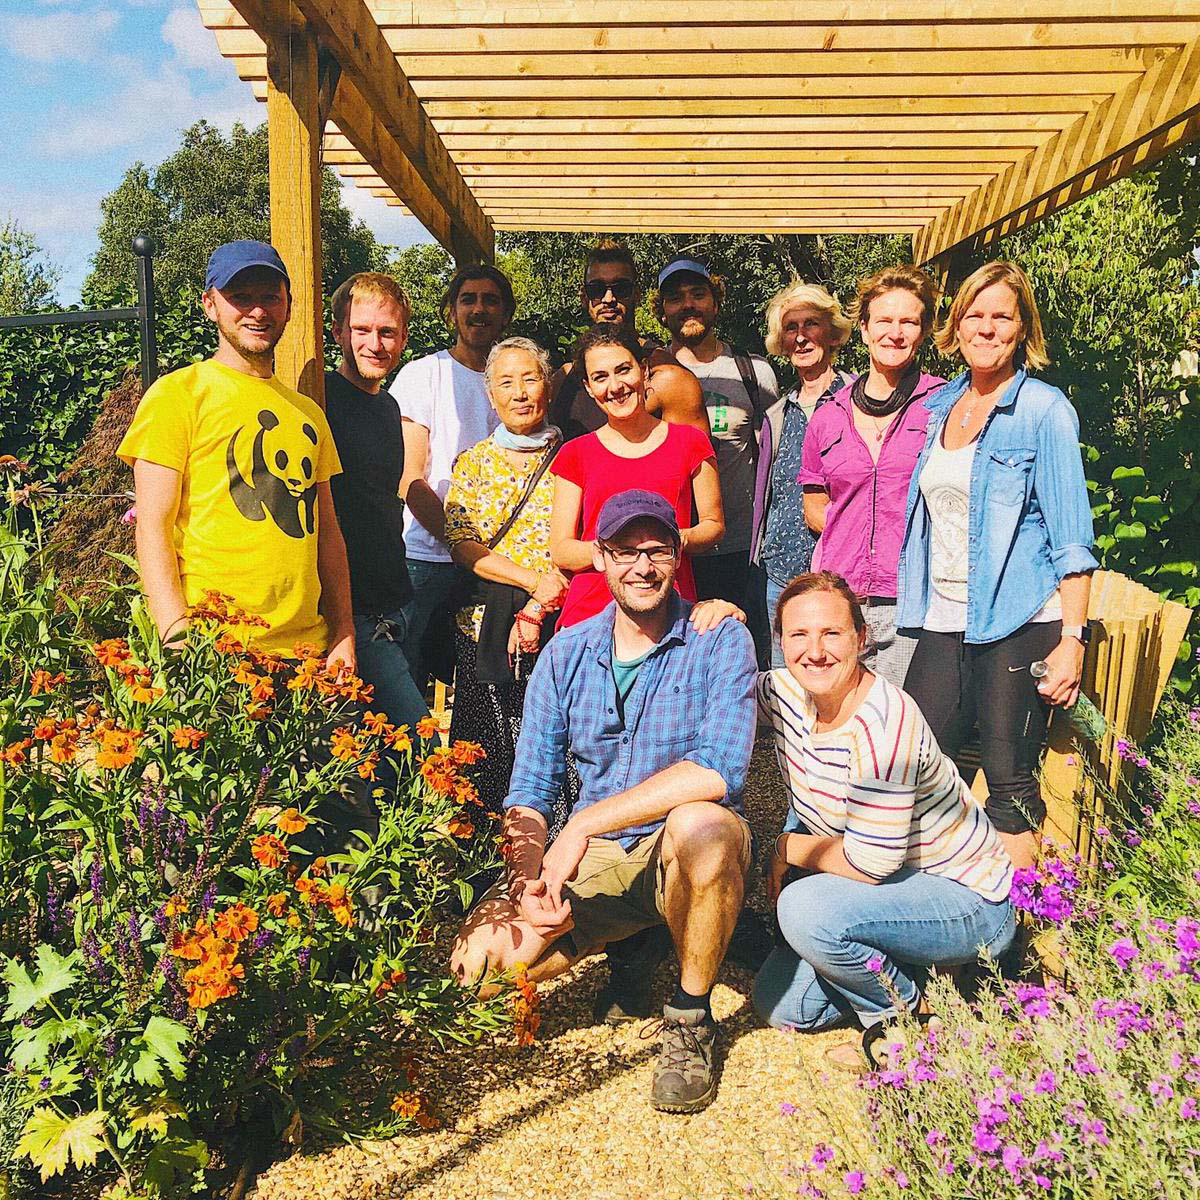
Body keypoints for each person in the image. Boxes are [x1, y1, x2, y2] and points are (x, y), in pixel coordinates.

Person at [452, 489, 757, 1113]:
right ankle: (633, 946)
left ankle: (691, 1018)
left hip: (673, 846)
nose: (641, 567)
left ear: (677, 555)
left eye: (656, 550)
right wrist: (528, 881)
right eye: (624, 551)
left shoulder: (719, 638)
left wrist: (583, 824)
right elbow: (531, 786)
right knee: (473, 972)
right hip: (597, 859)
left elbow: (720, 769)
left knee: (708, 827)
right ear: (600, 557)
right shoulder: (566, 653)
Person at [752, 573, 1015, 1065]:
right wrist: (716, 618)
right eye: (799, 636)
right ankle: (925, 974)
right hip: (892, 891)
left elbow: (872, 863)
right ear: (781, 643)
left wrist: (786, 849)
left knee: (805, 910)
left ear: (861, 637)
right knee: (782, 1006)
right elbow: (721, 692)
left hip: (963, 896)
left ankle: (902, 1022)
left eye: (832, 633)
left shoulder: (882, 726)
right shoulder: (785, 692)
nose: (815, 651)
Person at [897, 260, 1098, 872]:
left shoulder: (1042, 409)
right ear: (954, 326)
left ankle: (1017, 943)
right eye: (974, 315)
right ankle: (943, 919)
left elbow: (1072, 538)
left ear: (1022, 329)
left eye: (1001, 316)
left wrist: (1072, 640)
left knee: (1010, 786)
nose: (986, 328)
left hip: (1020, 616)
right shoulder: (942, 406)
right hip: (945, 615)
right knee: (919, 765)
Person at [119, 240, 353, 669]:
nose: (258, 311)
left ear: (288, 305)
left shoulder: (308, 414)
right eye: (240, 297)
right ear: (210, 305)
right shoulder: (178, 395)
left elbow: (329, 534)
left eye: (269, 297)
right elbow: (153, 526)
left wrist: (343, 633)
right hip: (215, 650)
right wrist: (174, 634)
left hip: (308, 657)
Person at [800, 264, 944, 685]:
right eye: (883, 320)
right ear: (863, 328)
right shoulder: (828, 416)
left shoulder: (944, 405)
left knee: (895, 722)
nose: (894, 333)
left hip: (911, 597)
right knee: (836, 714)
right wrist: (860, 533)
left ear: (923, 331)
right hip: (840, 596)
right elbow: (814, 505)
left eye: (908, 322)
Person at [442, 337, 569, 815]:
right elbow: (462, 544)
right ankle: (480, 869)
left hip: (558, 625)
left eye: (530, 378)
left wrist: (539, 605)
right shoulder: (473, 462)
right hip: (482, 629)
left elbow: (582, 540)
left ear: (548, 387)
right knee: (485, 754)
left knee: (553, 746)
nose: (519, 393)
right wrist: (529, 581)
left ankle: (550, 858)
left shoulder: (574, 458)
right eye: (506, 382)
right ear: (490, 395)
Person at [549, 323, 723, 629]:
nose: (615, 386)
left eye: (623, 370)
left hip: (667, 608)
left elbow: (714, 525)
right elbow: (562, 549)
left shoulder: (690, 442)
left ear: (644, 371)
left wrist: (672, 542)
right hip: (591, 616)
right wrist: (621, 553)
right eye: (600, 377)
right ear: (589, 388)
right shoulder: (575, 454)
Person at [392, 263, 514, 692]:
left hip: (499, 566)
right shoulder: (423, 375)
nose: (479, 310)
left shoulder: (516, 381)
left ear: (506, 314)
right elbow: (409, 480)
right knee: (407, 682)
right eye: (468, 299)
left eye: (490, 300)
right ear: (451, 312)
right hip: (427, 560)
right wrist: (461, 545)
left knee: (488, 686)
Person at [324, 271, 428, 734]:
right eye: (362, 330)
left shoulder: (389, 406)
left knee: (380, 753)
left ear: (403, 337)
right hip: (354, 609)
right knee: (418, 742)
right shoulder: (319, 399)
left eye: (387, 332)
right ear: (337, 331)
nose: (375, 343)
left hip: (397, 597)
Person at [656, 255, 780, 605]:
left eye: (698, 293)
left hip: (741, 549)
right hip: (673, 551)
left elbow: (773, 458)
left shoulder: (754, 372)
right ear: (663, 310)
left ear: (715, 302)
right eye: (676, 298)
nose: (688, 305)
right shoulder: (648, 376)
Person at [750, 281, 855, 667]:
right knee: (788, 686)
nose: (800, 337)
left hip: (842, 574)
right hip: (781, 573)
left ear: (830, 332)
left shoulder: (858, 400)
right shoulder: (778, 414)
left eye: (811, 324)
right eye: (791, 328)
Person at [550, 240, 708, 440]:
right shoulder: (563, 380)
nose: (608, 298)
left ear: (637, 295)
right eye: (597, 289)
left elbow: (697, 465)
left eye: (621, 288)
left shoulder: (670, 378)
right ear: (584, 297)